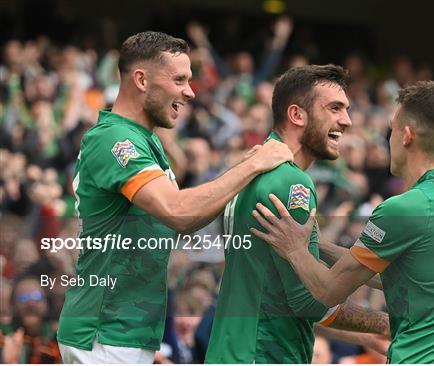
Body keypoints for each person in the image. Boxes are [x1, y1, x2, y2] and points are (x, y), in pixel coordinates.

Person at [56, 31, 293, 364]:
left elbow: (184, 219)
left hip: (126, 329)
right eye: (179, 79)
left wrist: (244, 172)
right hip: (103, 332)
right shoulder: (115, 140)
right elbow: (178, 212)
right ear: (141, 79)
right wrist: (252, 164)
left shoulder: (145, 140)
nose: (190, 91)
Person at [251, 81, 434, 363]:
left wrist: (294, 249)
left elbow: (327, 290)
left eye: (391, 128)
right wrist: (319, 245)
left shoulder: (406, 209)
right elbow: (414, 278)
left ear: (406, 136)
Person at [205, 65, 389, 364]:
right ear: (297, 115)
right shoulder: (292, 182)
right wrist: (386, 324)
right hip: (264, 355)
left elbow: (277, 282)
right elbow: (309, 301)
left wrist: (367, 329)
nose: (347, 121)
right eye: (334, 108)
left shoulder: (253, 168)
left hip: (233, 350)